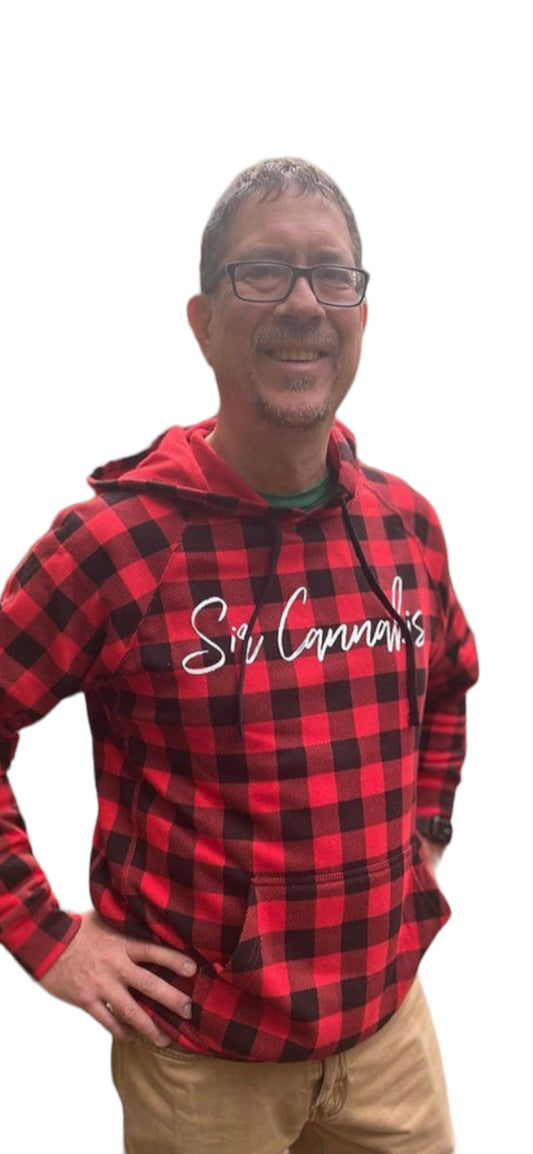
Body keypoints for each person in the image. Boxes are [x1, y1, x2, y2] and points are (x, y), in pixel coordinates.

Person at [0, 158, 478, 1153]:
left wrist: (427, 828)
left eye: (330, 275)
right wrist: (46, 937)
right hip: (202, 1064)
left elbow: (446, 682)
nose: (302, 303)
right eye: (261, 272)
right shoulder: (116, 545)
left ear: (359, 315)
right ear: (203, 322)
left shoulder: (405, 525)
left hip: (389, 1035)